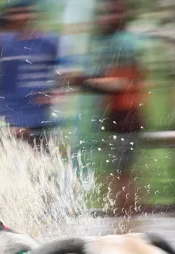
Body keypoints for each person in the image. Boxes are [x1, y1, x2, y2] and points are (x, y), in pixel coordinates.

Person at [65, 0, 146, 218]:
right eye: (104, 14)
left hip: (126, 115)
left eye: (112, 13)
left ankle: (128, 222)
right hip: (116, 115)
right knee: (119, 174)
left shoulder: (125, 43)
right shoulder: (111, 42)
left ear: (122, 15)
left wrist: (83, 81)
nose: (105, 19)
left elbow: (119, 84)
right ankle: (127, 222)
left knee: (121, 175)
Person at [0, 0, 60, 147]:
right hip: (10, 116)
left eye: (25, 12)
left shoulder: (49, 42)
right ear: (7, 16)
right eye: (15, 13)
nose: (20, 17)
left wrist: (56, 92)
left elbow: (62, 73)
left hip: (40, 117)